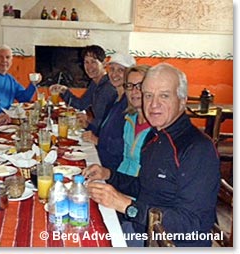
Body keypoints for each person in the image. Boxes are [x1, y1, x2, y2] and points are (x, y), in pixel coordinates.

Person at [84, 63, 220, 247]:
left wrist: (127, 206)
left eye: (164, 95)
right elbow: (145, 186)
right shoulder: (155, 136)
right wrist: (109, 175)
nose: (153, 104)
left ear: (182, 100)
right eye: (148, 95)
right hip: (141, 229)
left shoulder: (198, 149)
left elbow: (193, 225)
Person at [49, 45, 121, 135]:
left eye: (93, 62)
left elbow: (107, 124)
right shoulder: (95, 83)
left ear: (104, 63)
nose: (89, 67)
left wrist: (89, 120)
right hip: (98, 132)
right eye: (86, 62)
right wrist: (64, 91)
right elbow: (81, 104)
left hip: (105, 138)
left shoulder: (108, 88)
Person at [82, 53, 136, 170]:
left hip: (113, 167)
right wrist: (88, 125)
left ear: (130, 74)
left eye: (120, 70)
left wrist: (97, 140)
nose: (114, 74)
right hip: (102, 158)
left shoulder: (130, 105)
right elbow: (104, 131)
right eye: (111, 69)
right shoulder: (115, 99)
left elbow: (125, 145)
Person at [116, 65, 151, 177]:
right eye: (130, 86)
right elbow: (126, 160)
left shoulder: (157, 127)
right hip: (125, 184)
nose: (134, 91)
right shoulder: (129, 120)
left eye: (139, 86)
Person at [0, 44, 41, 112]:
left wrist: (33, 83)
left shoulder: (10, 79)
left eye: (7, 57)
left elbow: (24, 98)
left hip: (7, 118)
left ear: (11, 61)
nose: (4, 60)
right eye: (0, 57)